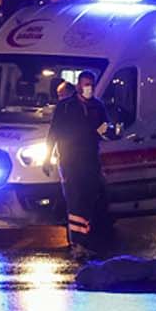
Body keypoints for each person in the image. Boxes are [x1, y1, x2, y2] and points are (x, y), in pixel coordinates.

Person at [48, 69, 109, 259]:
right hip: (70, 160)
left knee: (88, 201)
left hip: (90, 160)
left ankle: (85, 241)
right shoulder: (65, 107)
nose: (88, 88)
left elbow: (104, 127)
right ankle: (76, 244)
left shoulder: (98, 106)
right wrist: (48, 157)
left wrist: (110, 132)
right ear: (78, 86)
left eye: (91, 84)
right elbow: (54, 132)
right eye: (85, 84)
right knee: (74, 202)